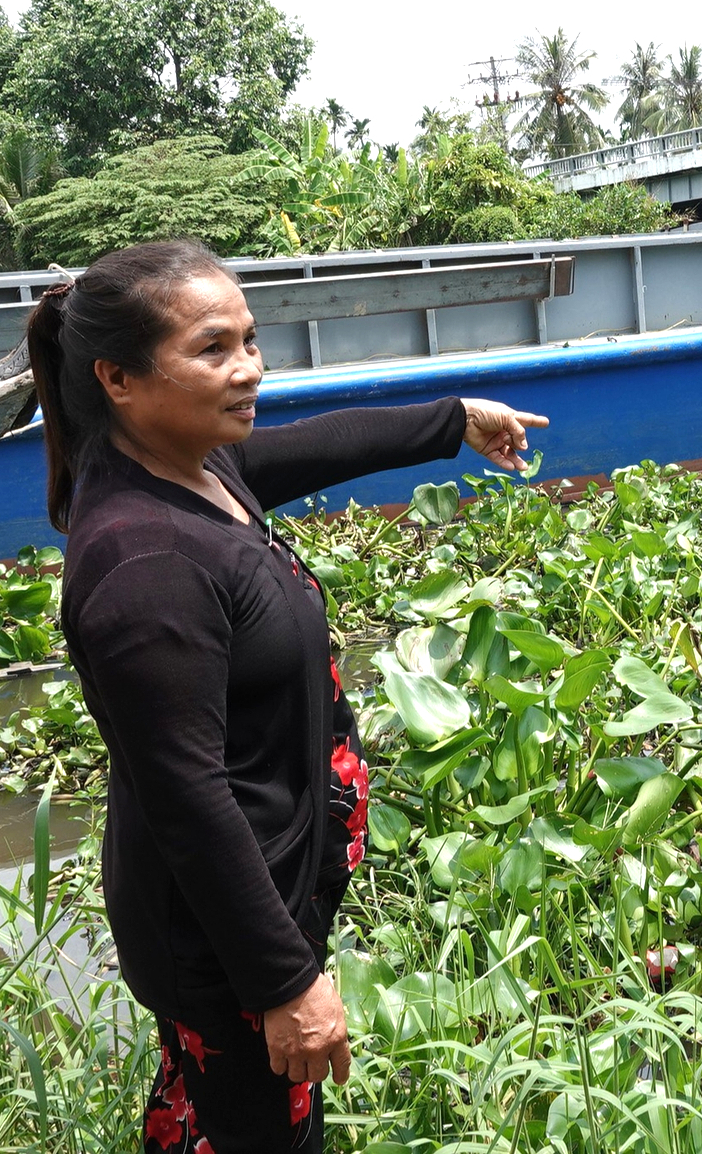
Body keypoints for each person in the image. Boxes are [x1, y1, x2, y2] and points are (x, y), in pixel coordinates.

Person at [28, 240, 546, 1153]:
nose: (250, 368)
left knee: (220, 1126)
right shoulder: (143, 564)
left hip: (258, 913)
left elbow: (320, 446)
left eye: (252, 340)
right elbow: (187, 797)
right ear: (118, 377)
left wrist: (455, 418)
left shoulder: (195, 471)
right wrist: (284, 985)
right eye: (214, 349)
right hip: (225, 950)